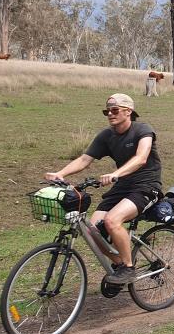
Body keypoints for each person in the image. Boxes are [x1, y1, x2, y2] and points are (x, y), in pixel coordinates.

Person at [45, 94, 162, 285]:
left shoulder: (142, 130)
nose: (109, 114)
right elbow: (84, 160)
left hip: (146, 185)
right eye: (107, 110)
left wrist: (116, 173)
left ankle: (129, 268)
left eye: (114, 110)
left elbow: (141, 158)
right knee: (92, 231)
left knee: (112, 220)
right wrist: (61, 173)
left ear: (128, 112)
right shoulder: (107, 135)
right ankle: (120, 265)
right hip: (123, 186)